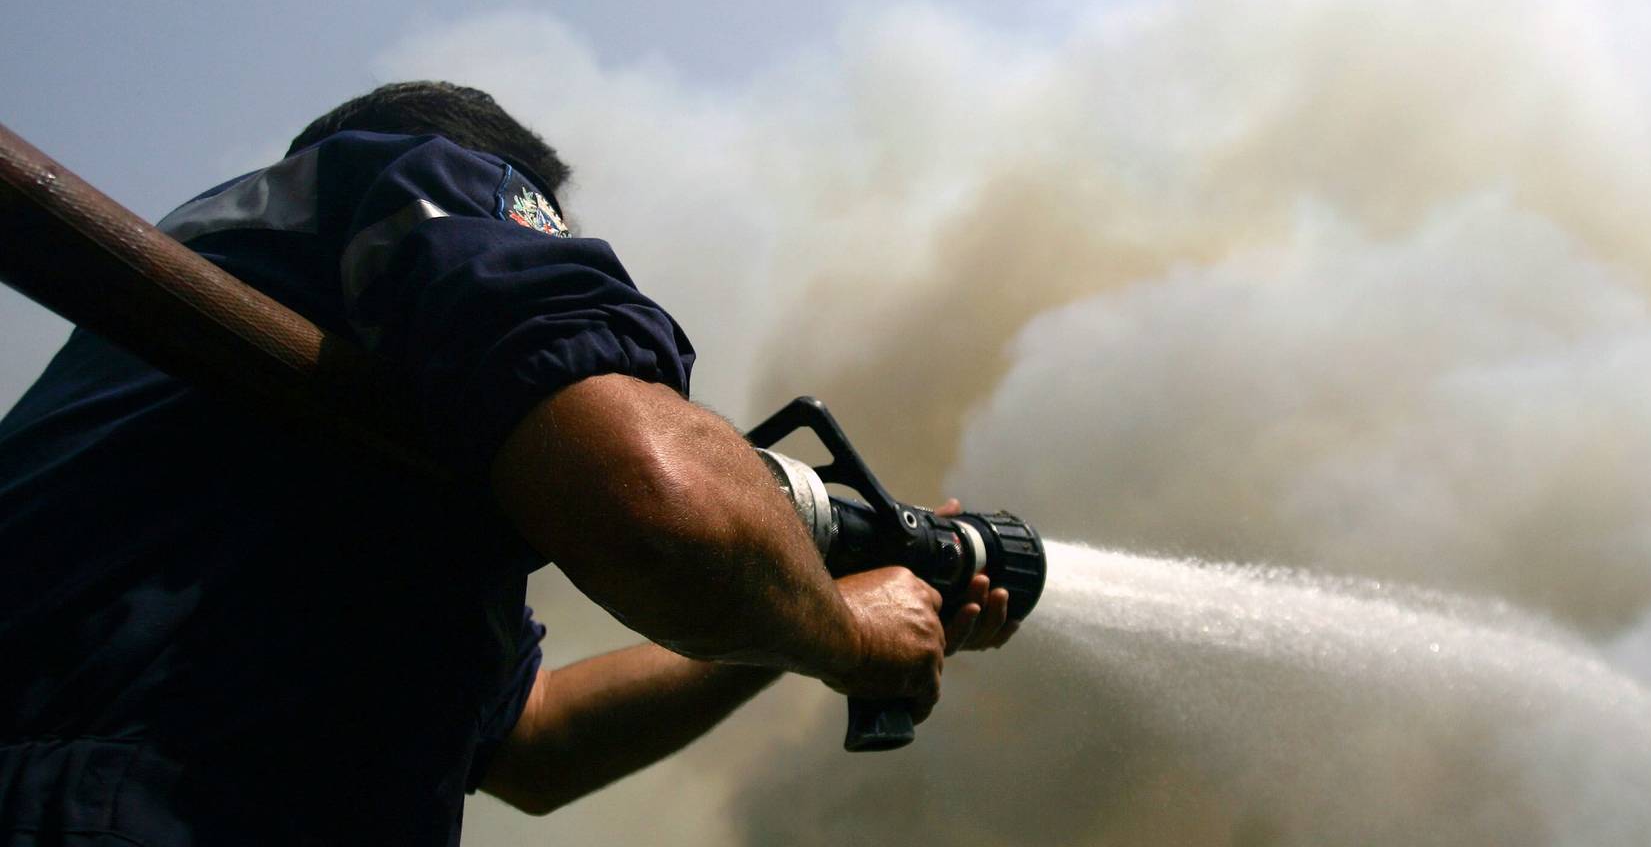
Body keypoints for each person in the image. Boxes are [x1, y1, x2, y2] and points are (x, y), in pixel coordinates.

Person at [0, 82, 1017, 845]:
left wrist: (803, 607)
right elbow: (655, 503)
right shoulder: (419, 174)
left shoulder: (222, 404)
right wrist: (845, 634)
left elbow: (532, 741)